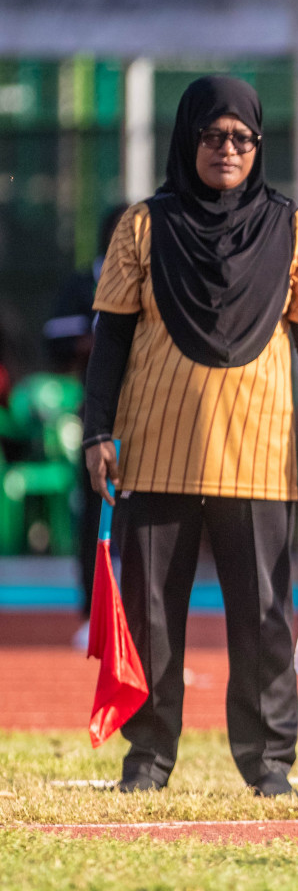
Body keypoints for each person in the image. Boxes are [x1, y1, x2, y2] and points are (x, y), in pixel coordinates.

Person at [81, 76, 298, 796]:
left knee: (264, 619)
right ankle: (148, 760)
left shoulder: (291, 227)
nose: (227, 149)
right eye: (212, 136)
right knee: (151, 617)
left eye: (241, 138)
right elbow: (109, 337)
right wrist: (96, 430)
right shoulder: (143, 225)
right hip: (156, 447)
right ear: (187, 138)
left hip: (260, 454)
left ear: (259, 146)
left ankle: (268, 766)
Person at [45, 204, 126, 650]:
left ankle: (135, 615)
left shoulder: (154, 279)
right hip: (95, 411)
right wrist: (91, 341)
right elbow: (53, 335)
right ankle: (92, 613)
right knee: (95, 511)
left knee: (141, 516)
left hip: (145, 413)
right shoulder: (82, 283)